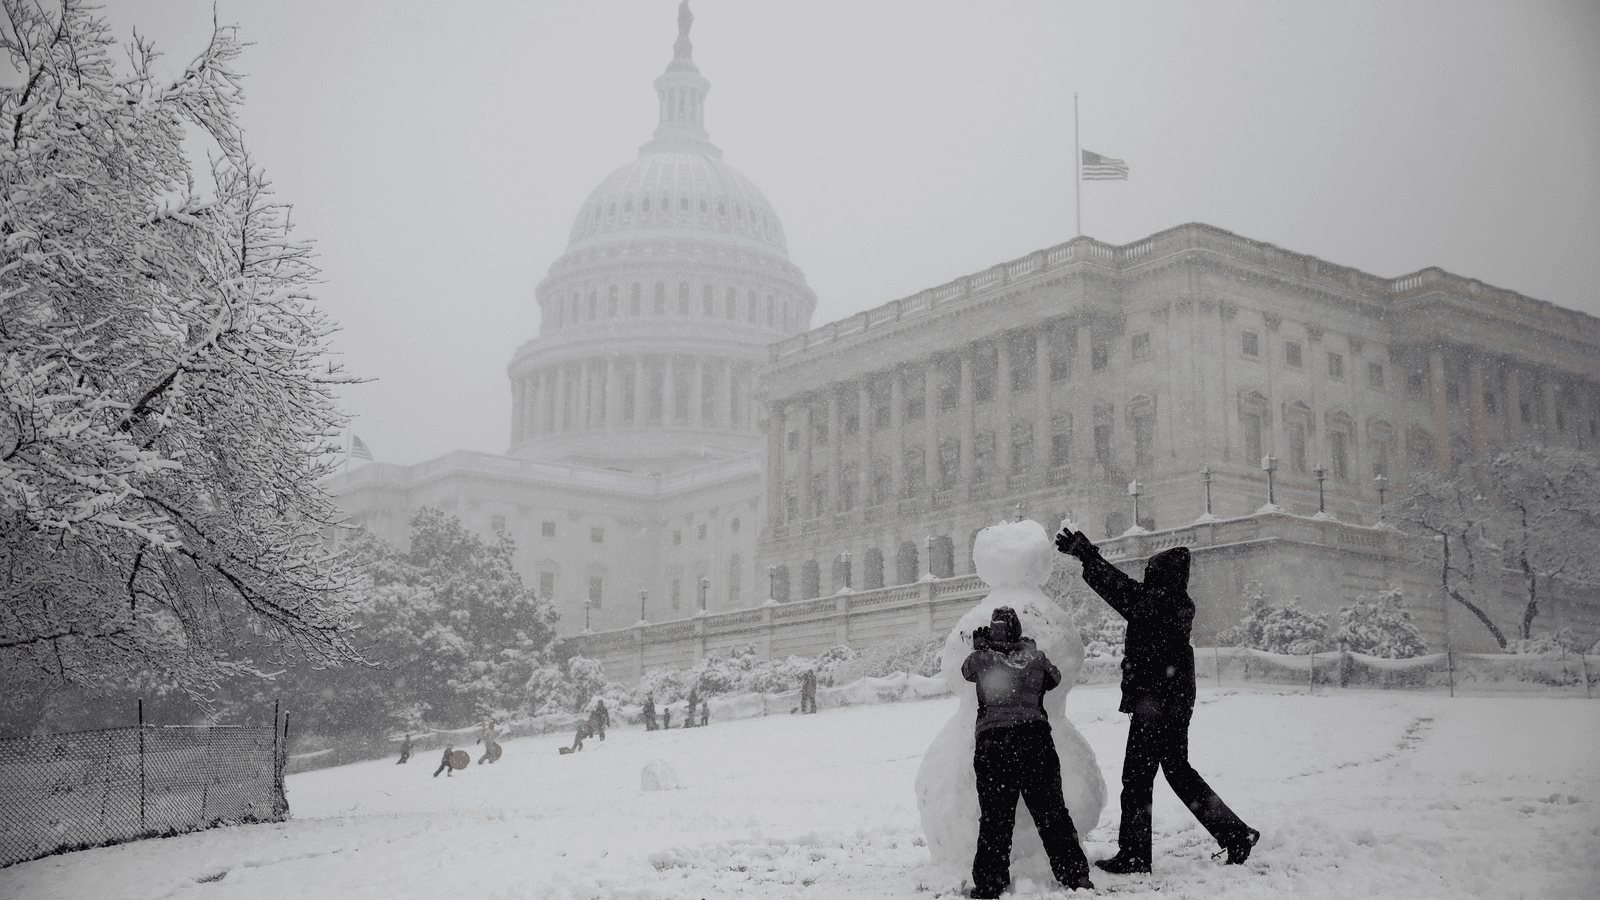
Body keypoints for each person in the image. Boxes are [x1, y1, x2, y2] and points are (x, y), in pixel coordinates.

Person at [1055, 529, 1260, 874]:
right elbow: (1128, 593)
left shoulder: (1160, 603)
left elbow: (1121, 591)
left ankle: (1135, 855)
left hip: (1158, 702)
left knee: (1136, 778)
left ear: (1161, 577)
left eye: (1151, 573)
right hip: (1172, 699)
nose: (1146, 579)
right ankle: (1235, 833)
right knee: (1177, 771)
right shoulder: (1174, 603)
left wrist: (1088, 556)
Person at [962, 606, 1094, 898]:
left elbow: (966, 671)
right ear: (1019, 630)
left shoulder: (981, 659)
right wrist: (1028, 650)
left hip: (993, 744)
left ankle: (989, 882)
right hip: (1034, 742)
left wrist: (984, 647)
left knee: (995, 817)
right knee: (1052, 813)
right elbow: (1055, 678)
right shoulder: (1034, 659)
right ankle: (1075, 875)